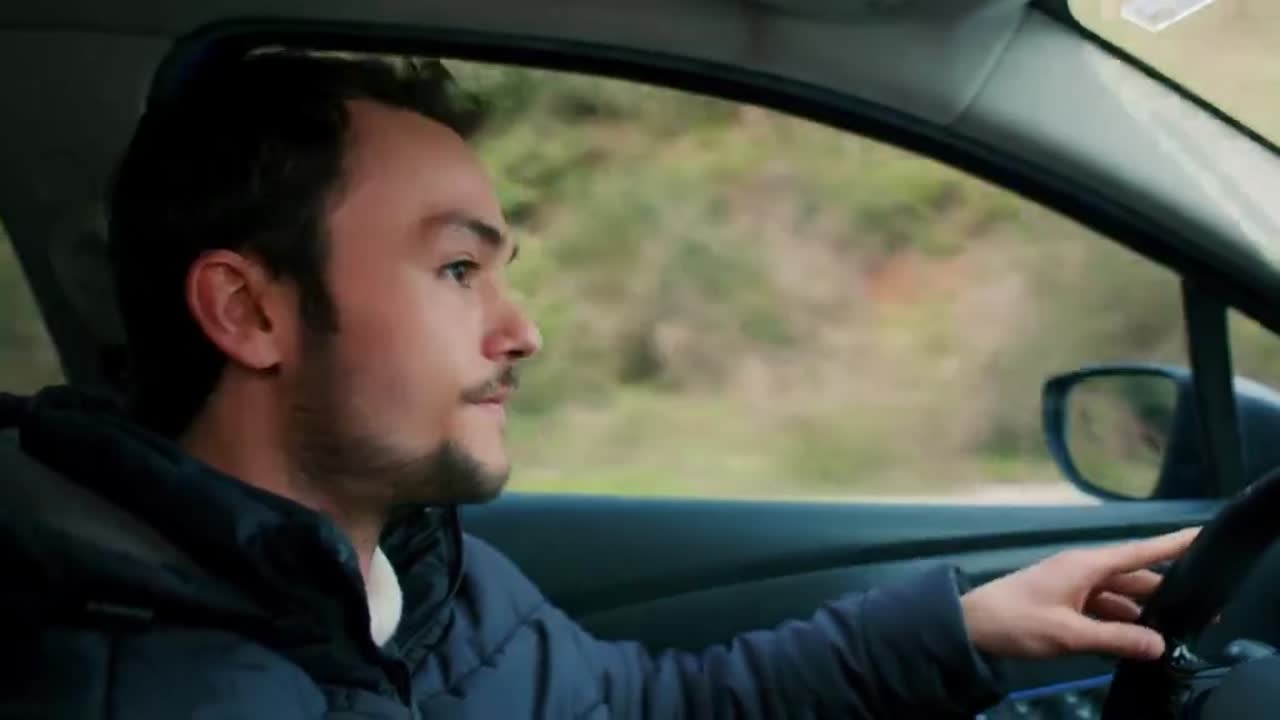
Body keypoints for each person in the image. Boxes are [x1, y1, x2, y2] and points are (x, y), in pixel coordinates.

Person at [0, 51, 1199, 719]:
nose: (520, 331)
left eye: (501, 271)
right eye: (457, 268)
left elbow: (637, 710)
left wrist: (961, 630)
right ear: (250, 312)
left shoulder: (415, 575)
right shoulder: (160, 691)